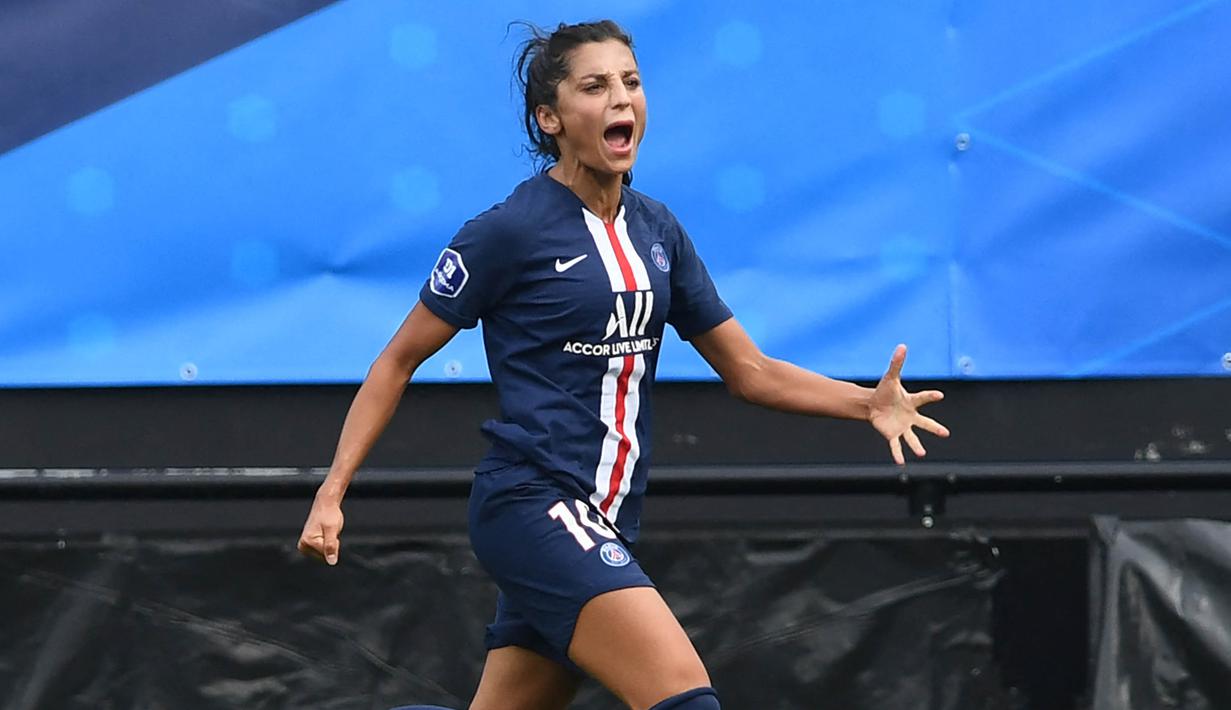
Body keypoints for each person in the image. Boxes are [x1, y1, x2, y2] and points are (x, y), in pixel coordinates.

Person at [297, 19, 950, 710]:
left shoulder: (656, 230)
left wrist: (865, 404)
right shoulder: (509, 231)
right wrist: (332, 492)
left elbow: (750, 371)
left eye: (631, 83)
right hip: (531, 506)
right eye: (595, 86)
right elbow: (396, 360)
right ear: (549, 118)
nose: (621, 99)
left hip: (605, 518)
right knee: (686, 701)